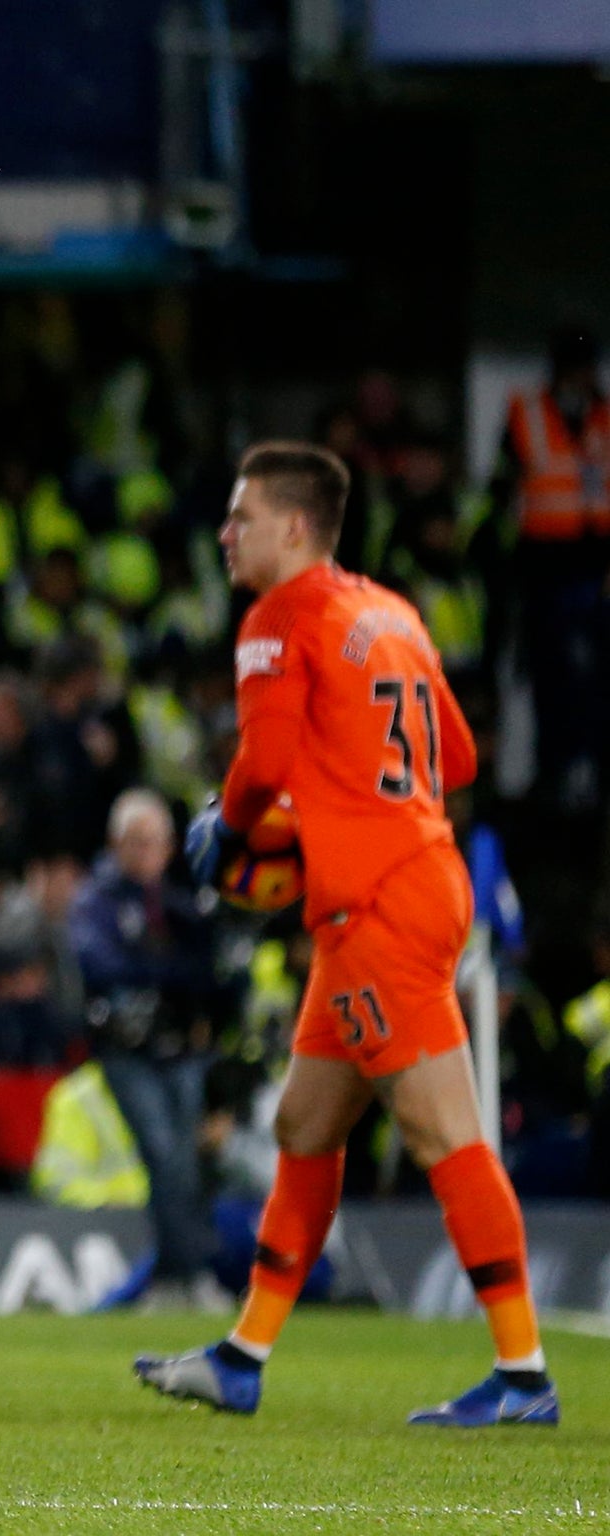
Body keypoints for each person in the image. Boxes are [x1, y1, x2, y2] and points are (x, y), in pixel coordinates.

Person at [138, 441, 557, 1426]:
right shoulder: (390, 610)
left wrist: (224, 834)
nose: (224, 533)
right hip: (400, 883)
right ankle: (242, 1356)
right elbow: (452, 753)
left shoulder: (278, 616)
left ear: (293, 526)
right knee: (304, 1125)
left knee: (441, 1131)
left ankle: (523, 1374)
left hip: (376, 902)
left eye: (240, 517)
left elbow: (265, 756)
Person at [69, 788, 225, 1307]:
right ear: (116, 844)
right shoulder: (97, 901)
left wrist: (166, 973)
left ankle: (177, 1274)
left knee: (185, 1158)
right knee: (161, 1151)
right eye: (136, 843)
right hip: (127, 1049)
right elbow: (102, 967)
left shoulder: (182, 904)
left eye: (156, 843)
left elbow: (211, 972)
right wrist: (171, 971)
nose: (147, 854)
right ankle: (183, 1273)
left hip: (180, 1046)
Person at [490, 327, 610, 809]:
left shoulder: (605, 416)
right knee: (549, 678)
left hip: (600, 564)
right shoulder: (527, 412)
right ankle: (552, 776)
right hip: (544, 566)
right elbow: (503, 486)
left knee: (601, 679)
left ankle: (599, 777)